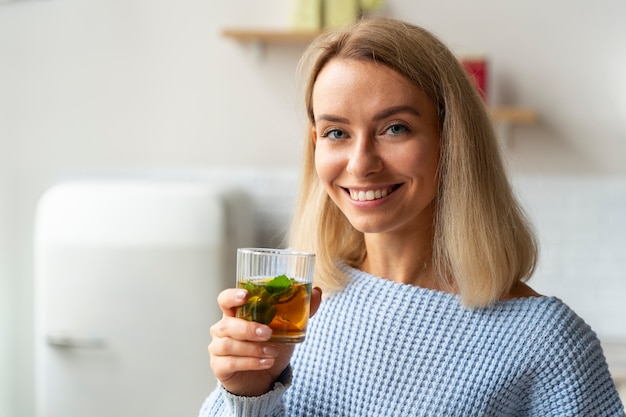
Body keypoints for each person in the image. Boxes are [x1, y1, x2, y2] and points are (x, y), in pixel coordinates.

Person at [200, 17, 625, 416]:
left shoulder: (546, 341)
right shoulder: (295, 305)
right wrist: (246, 394)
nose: (361, 163)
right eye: (336, 133)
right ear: (316, 144)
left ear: (451, 139)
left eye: (395, 128)